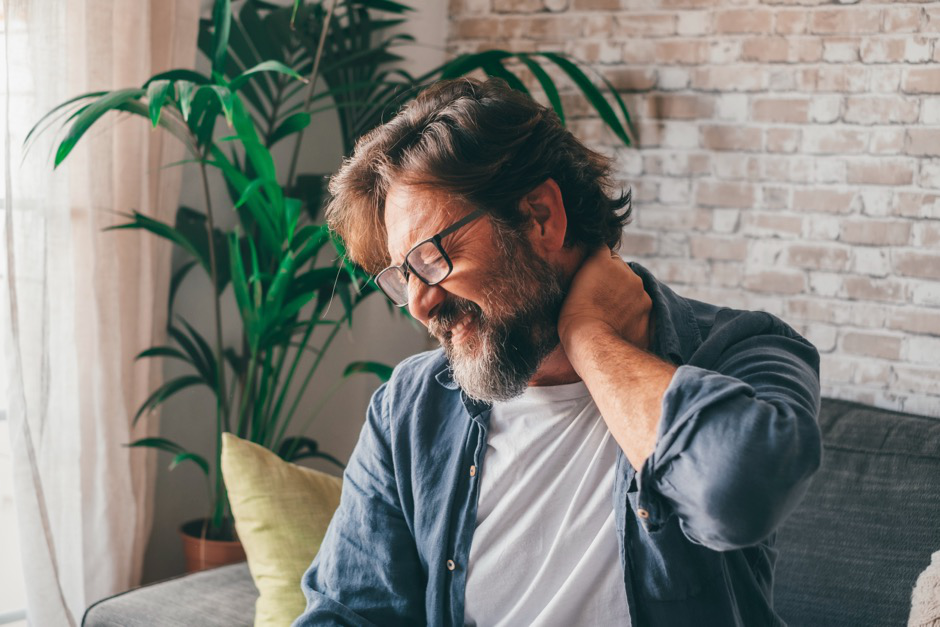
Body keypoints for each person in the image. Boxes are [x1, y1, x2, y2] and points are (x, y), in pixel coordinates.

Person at [293, 77, 822, 627]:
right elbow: (348, 612)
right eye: (405, 276)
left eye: (432, 257)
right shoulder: (409, 406)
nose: (420, 306)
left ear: (540, 216)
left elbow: (735, 498)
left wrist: (590, 336)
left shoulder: (742, 349)